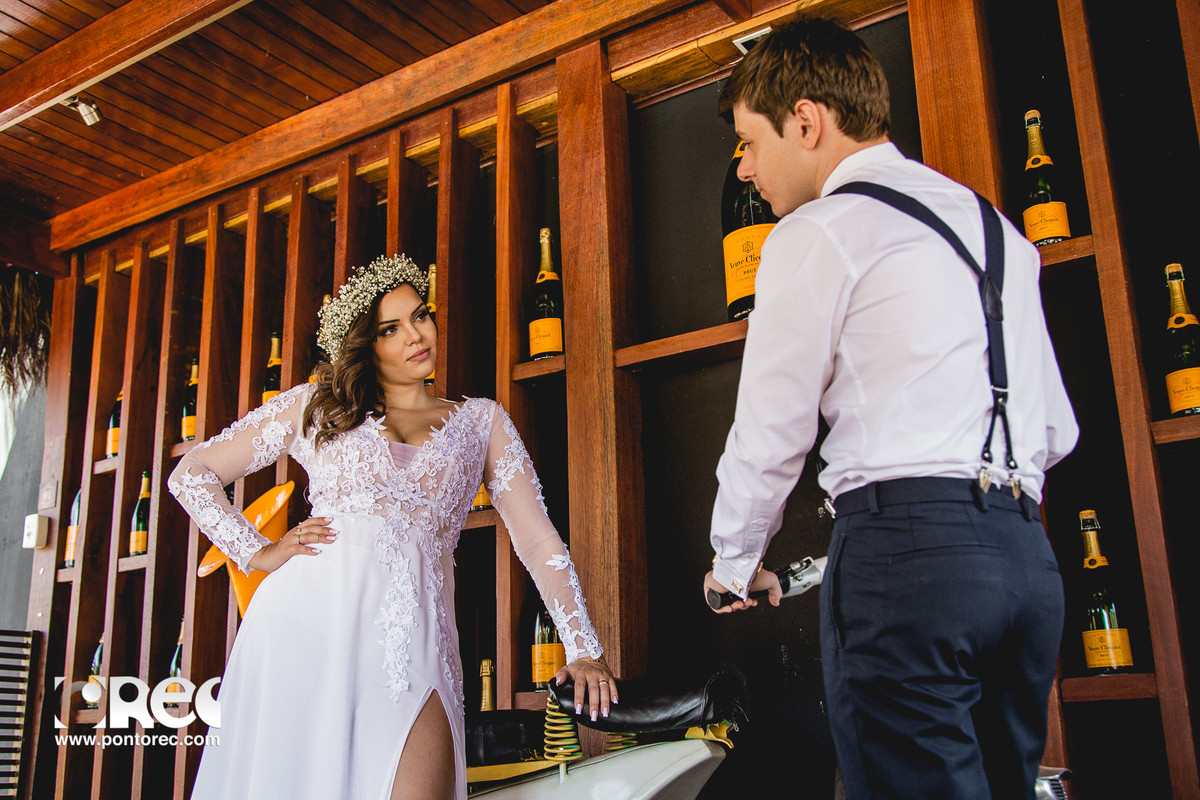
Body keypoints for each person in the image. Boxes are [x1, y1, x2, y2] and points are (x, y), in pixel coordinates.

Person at [701, 17, 1078, 800]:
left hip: (907, 570)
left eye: (748, 141)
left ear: (805, 121)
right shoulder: (998, 231)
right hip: (1025, 564)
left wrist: (734, 562)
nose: (744, 169)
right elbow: (1053, 431)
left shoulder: (817, 232)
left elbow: (770, 430)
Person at [169, 253, 616, 800]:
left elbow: (537, 537)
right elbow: (191, 474)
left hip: (417, 643)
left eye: (420, 315)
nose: (416, 335)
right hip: (303, 630)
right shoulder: (314, 407)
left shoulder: (482, 422)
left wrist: (582, 647)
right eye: (391, 328)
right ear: (364, 345)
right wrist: (257, 551)